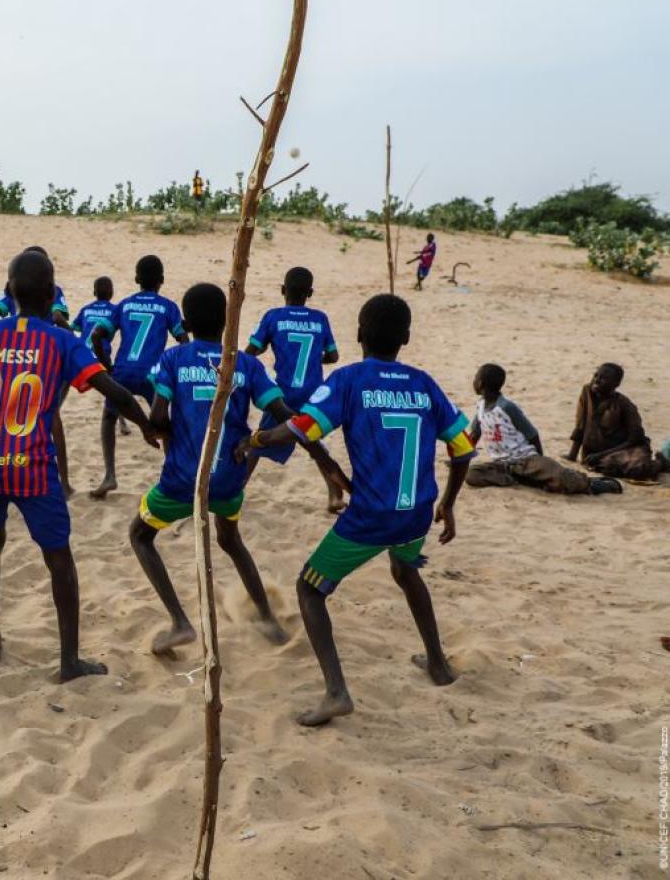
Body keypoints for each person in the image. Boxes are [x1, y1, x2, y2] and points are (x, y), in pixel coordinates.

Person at [237, 294, 475, 726]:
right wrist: (449, 504)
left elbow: (300, 429)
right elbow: (463, 448)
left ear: (359, 334)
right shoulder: (424, 383)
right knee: (406, 572)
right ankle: (438, 665)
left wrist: (253, 441)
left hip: (369, 518)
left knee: (310, 589)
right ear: (406, 337)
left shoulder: (349, 380)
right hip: (417, 512)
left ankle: (336, 693)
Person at [0, 249, 159, 682]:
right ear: (53, 293)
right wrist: (146, 426)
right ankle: (69, 661)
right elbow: (116, 392)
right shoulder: (61, 340)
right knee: (59, 559)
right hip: (30, 464)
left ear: (8, 290)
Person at [131, 283, 349, 655]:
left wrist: (161, 430)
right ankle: (266, 616)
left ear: (184, 322)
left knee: (140, 535)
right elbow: (286, 419)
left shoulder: (174, 359)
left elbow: (156, 414)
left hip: (183, 478)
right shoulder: (246, 365)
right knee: (230, 540)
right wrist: (311, 454)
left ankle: (180, 622)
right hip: (229, 479)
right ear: (229, 321)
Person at [244, 266, 347, 513]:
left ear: (283, 290)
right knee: (313, 444)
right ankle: (335, 493)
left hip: (284, 394)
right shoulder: (320, 319)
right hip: (313, 394)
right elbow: (333, 356)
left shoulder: (274, 317)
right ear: (310, 293)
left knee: (258, 442)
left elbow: (253, 351)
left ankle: (235, 486)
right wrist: (314, 360)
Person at [89, 254, 188, 498]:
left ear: (136, 279)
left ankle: (110, 475)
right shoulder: (168, 306)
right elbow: (184, 342)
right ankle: (172, 473)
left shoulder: (124, 304)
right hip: (152, 374)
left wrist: (106, 365)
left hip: (122, 371)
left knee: (108, 419)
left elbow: (96, 335)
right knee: (164, 423)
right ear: (161, 280)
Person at [0, 246, 76, 495]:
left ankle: (7, 473)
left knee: (10, 417)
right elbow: (58, 316)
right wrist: (72, 337)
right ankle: (64, 482)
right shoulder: (54, 292)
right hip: (43, 358)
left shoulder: (12, 294)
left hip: (13, 358)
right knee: (52, 416)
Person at [466, 363, 622, 494]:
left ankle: (595, 485)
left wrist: (539, 459)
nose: (473, 381)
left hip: (526, 460)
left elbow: (532, 434)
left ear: (480, 384)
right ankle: (524, 479)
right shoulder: (480, 406)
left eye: (475, 378)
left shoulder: (507, 407)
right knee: (471, 474)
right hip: (502, 464)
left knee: (562, 477)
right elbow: (474, 434)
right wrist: (460, 457)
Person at [566, 363, 664, 481]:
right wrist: (572, 456)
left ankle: (660, 463)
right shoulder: (587, 392)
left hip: (625, 449)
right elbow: (580, 426)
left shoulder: (625, 405)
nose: (597, 380)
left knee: (635, 469)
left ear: (616, 384)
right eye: (596, 376)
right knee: (605, 466)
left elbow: (635, 439)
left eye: (604, 378)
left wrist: (600, 455)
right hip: (597, 454)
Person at [72, 276, 129, 436]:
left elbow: (74, 327)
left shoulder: (86, 309)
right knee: (114, 389)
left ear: (94, 292)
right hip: (101, 355)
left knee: (63, 384)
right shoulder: (114, 310)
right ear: (111, 293)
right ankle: (122, 422)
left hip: (81, 355)